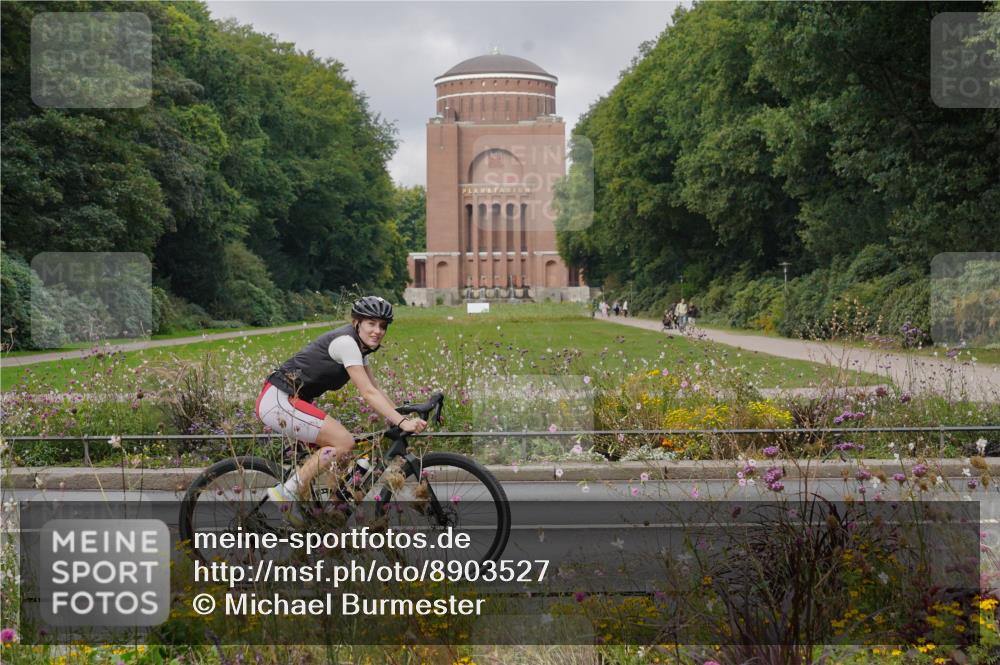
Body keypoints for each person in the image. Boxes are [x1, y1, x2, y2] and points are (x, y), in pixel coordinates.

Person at [255, 296, 427, 521]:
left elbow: (376, 389)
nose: (378, 331)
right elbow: (368, 393)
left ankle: (329, 513)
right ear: (357, 322)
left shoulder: (360, 349)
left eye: (382, 326)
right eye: (371, 324)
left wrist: (399, 415)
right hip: (278, 400)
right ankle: (286, 493)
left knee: (344, 456)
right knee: (344, 442)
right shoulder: (347, 343)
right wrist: (402, 422)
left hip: (293, 401)